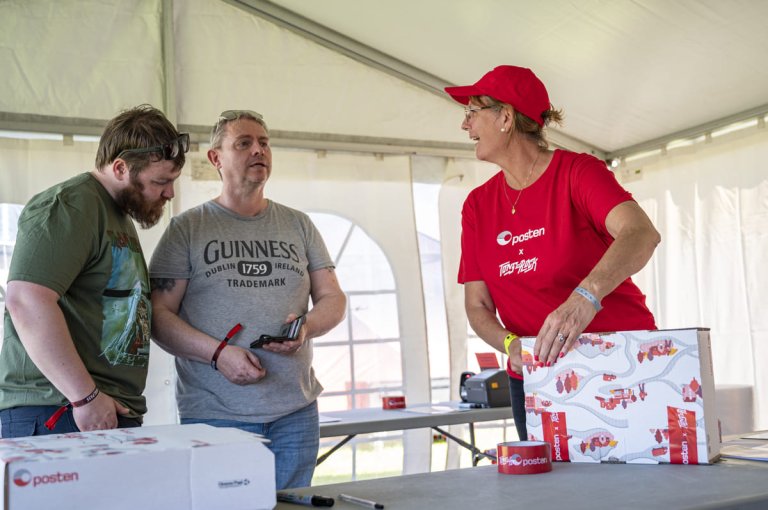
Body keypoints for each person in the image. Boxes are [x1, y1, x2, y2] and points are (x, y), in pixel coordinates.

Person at [445, 66, 660, 441]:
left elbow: (641, 233)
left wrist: (585, 297)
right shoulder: (477, 206)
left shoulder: (577, 172)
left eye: (472, 112)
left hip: (619, 363)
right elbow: (477, 305)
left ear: (506, 117)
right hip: (534, 376)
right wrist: (510, 345)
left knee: (639, 493)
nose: (465, 125)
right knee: (552, 495)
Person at [149, 109, 346, 489]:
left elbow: (333, 298)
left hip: (295, 412)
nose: (258, 150)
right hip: (215, 416)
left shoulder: (298, 224)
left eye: (264, 142)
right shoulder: (188, 228)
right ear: (215, 158)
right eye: (244, 143)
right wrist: (219, 354)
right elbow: (158, 315)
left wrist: (305, 327)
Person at [0, 104, 187, 437]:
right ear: (120, 167)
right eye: (161, 181)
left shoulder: (114, 214)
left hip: (95, 409)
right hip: (59, 409)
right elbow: (26, 300)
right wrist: (85, 396)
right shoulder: (70, 205)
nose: (169, 192)